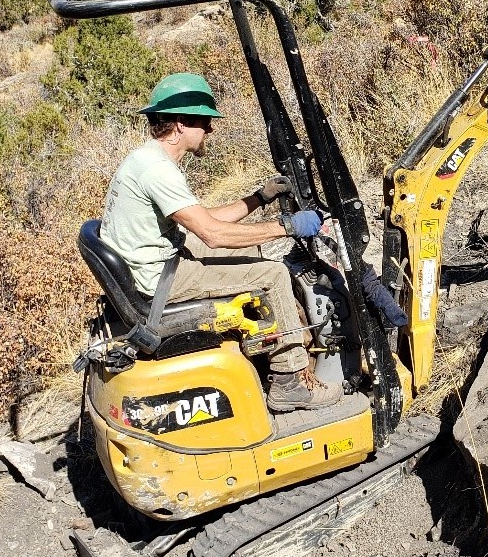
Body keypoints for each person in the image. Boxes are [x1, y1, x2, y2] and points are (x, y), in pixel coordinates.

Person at [100, 72, 342, 412]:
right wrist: (288, 226)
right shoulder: (158, 170)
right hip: (158, 281)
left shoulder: (146, 158)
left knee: (248, 250)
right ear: (181, 124)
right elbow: (213, 236)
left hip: (151, 264)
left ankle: (268, 342)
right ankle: (290, 381)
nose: (210, 130)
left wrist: (259, 198)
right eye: (205, 122)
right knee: (271, 275)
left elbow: (205, 221)